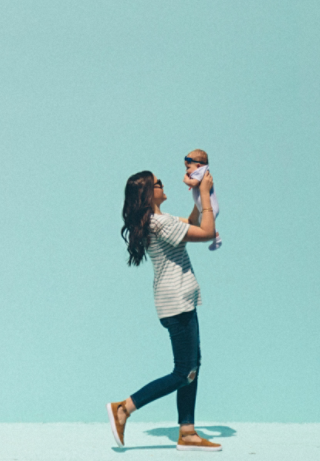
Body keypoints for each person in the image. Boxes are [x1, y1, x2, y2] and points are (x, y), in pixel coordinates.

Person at [107, 170, 222, 452]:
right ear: (148, 194)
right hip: (177, 301)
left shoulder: (161, 221)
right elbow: (206, 232)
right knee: (184, 371)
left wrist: (198, 194)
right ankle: (124, 408)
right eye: (158, 183)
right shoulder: (159, 224)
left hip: (178, 299)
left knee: (192, 366)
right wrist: (206, 195)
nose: (163, 185)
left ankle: (187, 432)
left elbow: (193, 222)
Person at [182, 150, 222, 251]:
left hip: (210, 207)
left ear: (198, 166)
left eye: (188, 168)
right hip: (204, 208)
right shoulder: (200, 171)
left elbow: (194, 183)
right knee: (201, 224)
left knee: (204, 227)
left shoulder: (201, 172)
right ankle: (215, 236)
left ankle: (216, 238)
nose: (186, 171)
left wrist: (186, 180)